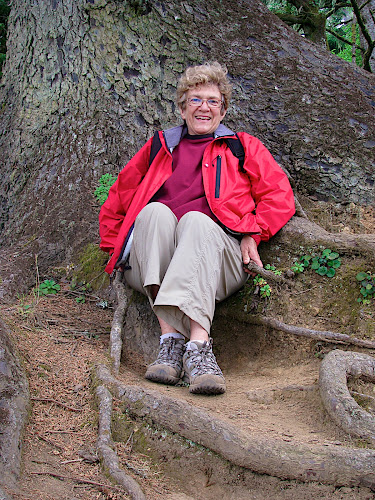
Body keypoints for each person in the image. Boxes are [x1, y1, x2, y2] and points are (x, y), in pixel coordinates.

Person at [99, 62, 295, 395]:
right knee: (155, 213)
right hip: (152, 262)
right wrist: (113, 249)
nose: (204, 107)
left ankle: (199, 349)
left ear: (223, 110)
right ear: (182, 107)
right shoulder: (160, 147)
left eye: (212, 101)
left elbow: (279, 196)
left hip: (219, 262)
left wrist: (254, 232)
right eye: (195, 99)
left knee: (196, 221)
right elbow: (117, 200)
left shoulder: (242, 146)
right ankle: (171, 342)